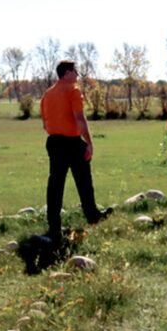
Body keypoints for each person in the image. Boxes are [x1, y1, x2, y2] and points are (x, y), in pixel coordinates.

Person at [40, 59, 111, 239]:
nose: (77, 75)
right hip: (71, 142)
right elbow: (79, 118)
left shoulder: (47, 94)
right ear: (67, 73)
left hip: (54, 142)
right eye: (75, 71)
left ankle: (54, 225)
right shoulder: (73, 90)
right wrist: (89, 142)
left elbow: (45, 124)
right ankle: (93, 216)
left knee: (55, 184)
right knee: (84, 181)